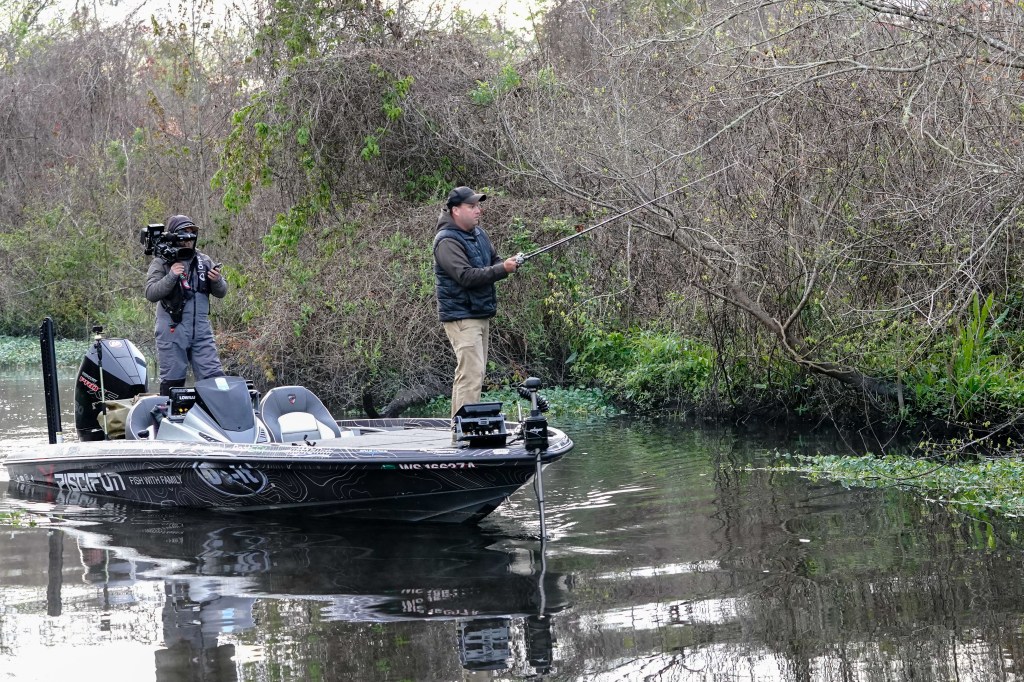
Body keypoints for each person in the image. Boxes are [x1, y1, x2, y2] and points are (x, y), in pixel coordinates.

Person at [433, 186, 519, 418]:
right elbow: (466, 276)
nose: (478, 210)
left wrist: (507, 264)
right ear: (455, 210)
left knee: (475, 374)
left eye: (478, 205)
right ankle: (462, 431)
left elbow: (494, 261)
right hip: (461, 316)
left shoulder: (479, 234)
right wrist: (503, 269)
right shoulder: (446, 241)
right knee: (470, 374)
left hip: (480, 314)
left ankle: (462, 427)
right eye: (471, 206)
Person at [145, 215, 228, 396]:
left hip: (201, 332)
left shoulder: (204, 260)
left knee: (215, 379)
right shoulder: (161, 261)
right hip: (172, 331)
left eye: (192, 233)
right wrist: (171, 276)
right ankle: (168, 412)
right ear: (174, 235)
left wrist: (217, 281)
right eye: (184, 233)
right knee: (173, 383)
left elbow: (222, 292)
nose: (189, 237)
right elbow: (151, 293)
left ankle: (214, 412)